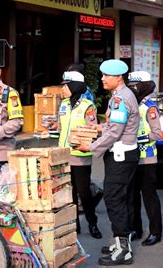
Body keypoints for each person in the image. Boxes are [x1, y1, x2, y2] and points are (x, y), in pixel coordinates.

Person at [75, 59, 140, 266]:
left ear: (118, 77)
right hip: (125, 154)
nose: (102, 79)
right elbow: (115, 125)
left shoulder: (120, 98)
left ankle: (124, 251)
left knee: (114, 200)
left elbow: (116, 132)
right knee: (123, 198)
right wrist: (99, 128)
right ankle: (121, 243)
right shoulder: (121, 95)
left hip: (121, 156)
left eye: (106, 76)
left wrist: (91, 147)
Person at [56, 71, 101, 239]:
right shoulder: (64, 104)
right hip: (64, 155)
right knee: (69, 193)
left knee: (84, 193)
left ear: (74, 86)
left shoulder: (88, 106)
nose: (62, 88)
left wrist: (82, 144)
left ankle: (92, 223)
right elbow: (62, 127)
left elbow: (92, 130)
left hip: (81, 155)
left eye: (65, 85)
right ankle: (75, 225)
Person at [127, 71, 163, 246]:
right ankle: (136, 229)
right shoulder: (132, 104)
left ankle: (156, 232)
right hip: (132, 157)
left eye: (134, 86)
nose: (132, 89)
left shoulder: (150, 107)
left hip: (147, 159)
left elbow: (157, 134)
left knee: (149, 197)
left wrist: (135, 138)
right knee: (133, 196)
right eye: (130, 86)